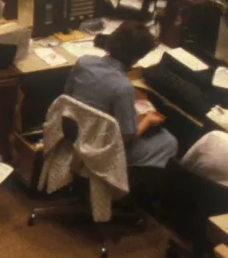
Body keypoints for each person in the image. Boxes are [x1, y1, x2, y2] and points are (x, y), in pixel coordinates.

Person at [63, 19, 177, 173]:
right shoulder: (123, 87)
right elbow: (126, 137)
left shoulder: (83, 62)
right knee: (168, 141)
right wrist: (148, 120)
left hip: (75, 136)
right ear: (136, 57)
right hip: (101, 151)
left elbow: (67, 94)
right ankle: (125, 181)